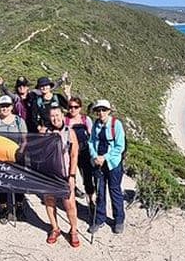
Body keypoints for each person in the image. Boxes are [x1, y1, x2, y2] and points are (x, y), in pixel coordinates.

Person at [87, 99, 127, 235]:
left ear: (109, 111)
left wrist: (105, 158)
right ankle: (100, 218)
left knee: (114, 191)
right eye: (98, 110)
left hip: (113, 164)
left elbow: (119, 146)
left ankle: (119, 220)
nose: (101, 113)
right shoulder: (95, 125)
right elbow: (91, 141)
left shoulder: (116, 125)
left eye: (104, 110)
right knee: (100, 192)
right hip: (98, 163)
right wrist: (94, 156)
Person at [43, 105, 81, 247]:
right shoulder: (45, 132)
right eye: (52, 116)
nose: (55, 118)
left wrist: (72, 176)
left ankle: (73, 230)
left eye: (57, 115)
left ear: (62, 115)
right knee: (49, 201)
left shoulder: (69, 132)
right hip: (49, 174)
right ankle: (55, 228)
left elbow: (74, 154)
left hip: (65, 174)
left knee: (69, 204)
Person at [0, 95, 27, 224]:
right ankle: (4, 208)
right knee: (1, 183)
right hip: (0, 157)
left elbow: (24, 139)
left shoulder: (19, 121)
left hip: (17, 157)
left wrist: (19, 153)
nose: (4, 108)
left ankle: (19, 206)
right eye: (2, 106)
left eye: (7, 106)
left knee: (18, 182)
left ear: (11, 107)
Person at [65, 96, 95, 216]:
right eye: (70, 107)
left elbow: (92, 136)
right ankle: (71, 202)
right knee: (70, 177)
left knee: (87, 178)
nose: (73, 109)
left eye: (75, 107)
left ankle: (91, 202)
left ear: (80, 108)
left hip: (84, 152)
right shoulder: (65, 120)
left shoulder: (85, 119)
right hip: (69, 152)